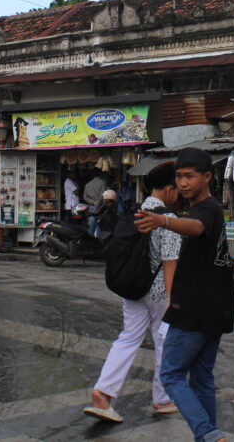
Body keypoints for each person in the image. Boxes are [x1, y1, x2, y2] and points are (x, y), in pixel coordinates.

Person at [135, 147, 234, 442]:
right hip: (215, 308)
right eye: (178, 177)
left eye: (189, 176)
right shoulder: (205, 208)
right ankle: (209, 437)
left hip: (195, 308)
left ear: (206, 177)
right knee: (202, 377)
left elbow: (196, 227)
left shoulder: (206, 209)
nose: (182, 183)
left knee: (171, 374)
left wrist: (163, 220)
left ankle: (207, 433)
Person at [84, 164, 182, 423]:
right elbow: (170, 261)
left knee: (128, 338)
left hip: (132, 287)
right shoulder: (167, 217)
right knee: (164, 343)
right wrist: (173, 300)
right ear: (169, 189)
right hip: (159, 292)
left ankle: (103, 392)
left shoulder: (135, 212)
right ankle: (162, 398)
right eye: (176, 188)